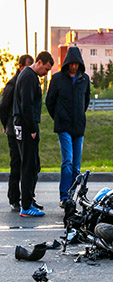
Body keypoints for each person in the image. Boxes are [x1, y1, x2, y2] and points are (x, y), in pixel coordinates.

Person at [46, 46, 90, 208]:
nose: (73, 66)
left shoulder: (84, 79)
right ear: (66, 64)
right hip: (63, 126)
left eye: (76, 64)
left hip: (78, 127)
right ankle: (64, 196)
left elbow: (86, 101)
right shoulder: (57, 79)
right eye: (71, 63)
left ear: (80, 64)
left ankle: (72, 196)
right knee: (68, 162)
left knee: (76, 165)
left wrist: (79, 115)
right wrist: (59, 118)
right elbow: (49, 102)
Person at [13, 51, 54, 217]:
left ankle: (29, 200)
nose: (46, 73)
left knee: (34, 164)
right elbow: (27, 105)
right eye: (46, 69)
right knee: (29, 166)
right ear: (38, 62)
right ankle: (26, 206)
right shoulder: (29, 77)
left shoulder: (28, 76)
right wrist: (31, 129)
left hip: (23, 124)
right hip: (26, 125)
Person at [0, 54, 34, 211]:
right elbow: (3, 106)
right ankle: (14, 199)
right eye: (27, 66)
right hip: (13, 131)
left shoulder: (27, 83)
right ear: (20, 66)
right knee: (16, 164)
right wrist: (5, 125)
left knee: (30, 165)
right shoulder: (12, 85)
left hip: (24, 129)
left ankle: (29, 198)